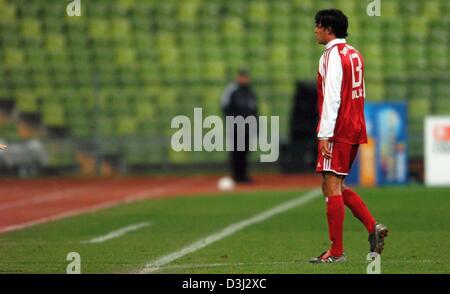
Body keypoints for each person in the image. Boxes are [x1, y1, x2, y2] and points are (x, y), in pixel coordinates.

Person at [309, 9, 388, 264]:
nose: (315, 30)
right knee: (335, 185)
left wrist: (324, 134)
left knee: (331, 186)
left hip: (338, 128)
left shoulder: (331, 56)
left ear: (328, 29)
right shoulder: (354, 53)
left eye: (317, 26)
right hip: (355, 126)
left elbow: (332, 96)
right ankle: (372, 227)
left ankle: (337, 251)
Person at [220, 69, 258, 183]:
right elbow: (225, 107)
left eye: (246, 77)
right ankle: (237, 175)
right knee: (237, 152)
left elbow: (254, 110)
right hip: (236, 127)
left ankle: (243, 175)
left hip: (248, 126)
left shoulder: (250, 92)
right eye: (242, 77)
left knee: (245, 151)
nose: (244, 79)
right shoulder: (232, 90)